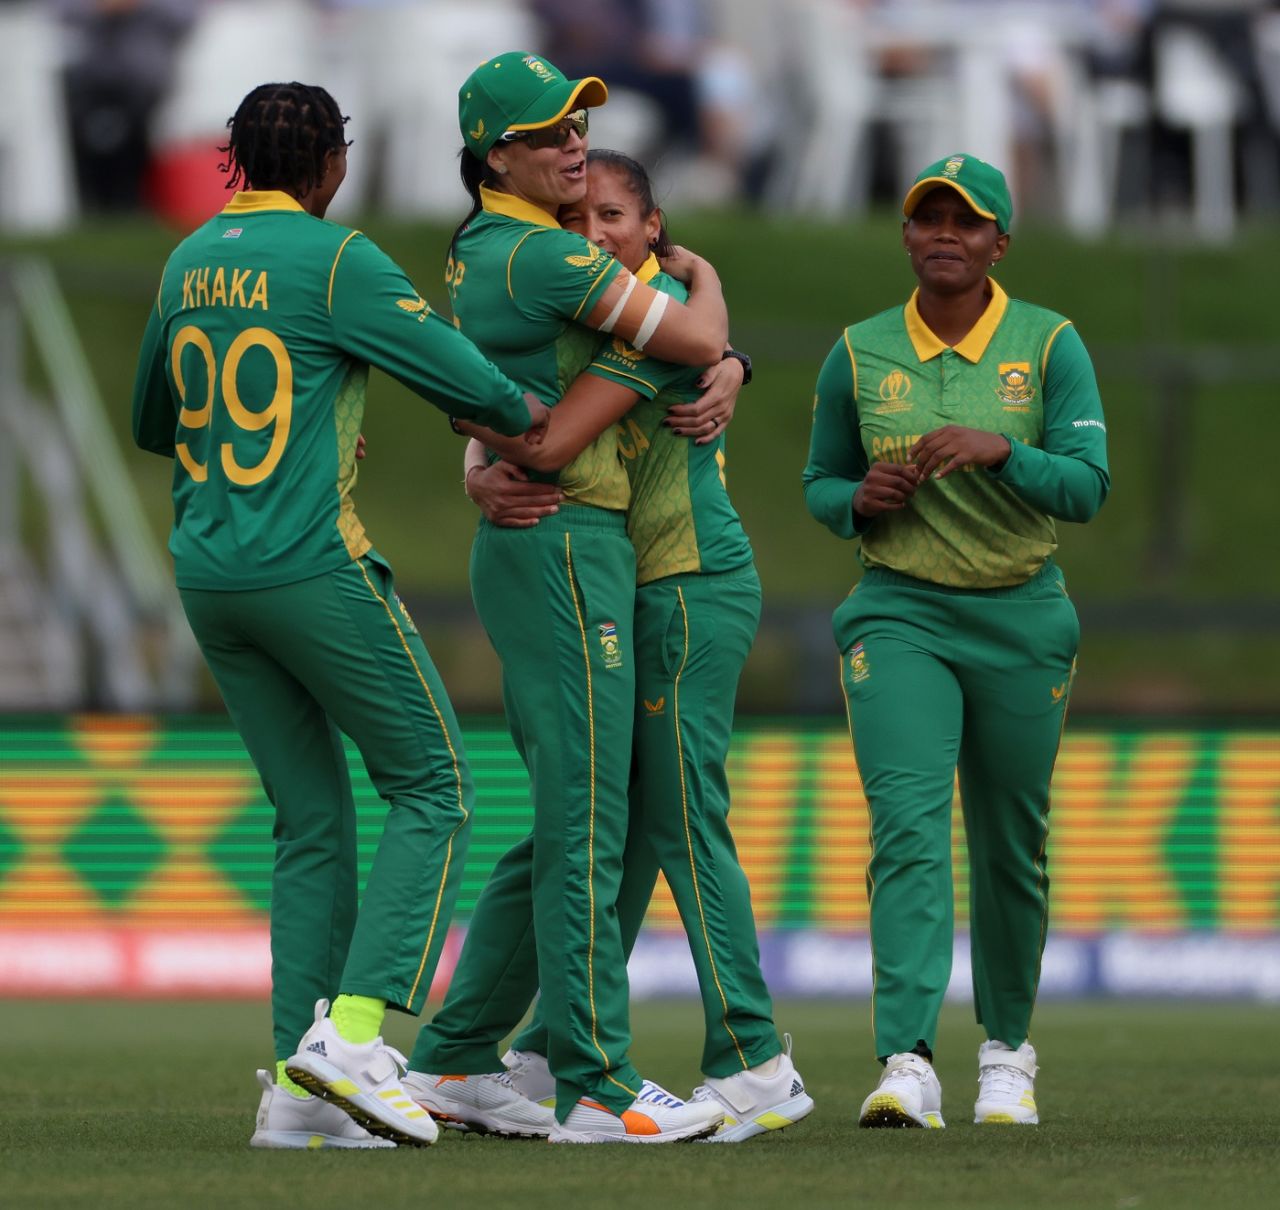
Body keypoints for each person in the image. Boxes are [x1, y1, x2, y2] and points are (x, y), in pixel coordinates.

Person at [130, 81, 550, 1150]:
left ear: (233, 160)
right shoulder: (337, 259)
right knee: (437, 784)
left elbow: (152, 419)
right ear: (331, 165)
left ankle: (294, 1093)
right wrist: (534, 416)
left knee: (310, 821)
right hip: (307, 563)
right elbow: (473, 383)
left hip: (208, 570)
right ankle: (355, 1036)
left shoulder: (186, 260)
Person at [406, 150, 813, 1144]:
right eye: (580, 216)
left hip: (684, 580)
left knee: (668, 820)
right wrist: (473, 466)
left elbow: (582, 406)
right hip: (606, 574)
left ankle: (748, 1057)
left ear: (654, 229)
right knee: (589, 825)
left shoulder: (661, 305)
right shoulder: (579, 308)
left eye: (615, 216)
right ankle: (502, 1048)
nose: (594, 232)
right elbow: (512, 398)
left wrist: (714, 325)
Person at [802, 153, 1109, 1129]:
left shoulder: (1047, 342)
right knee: (905, 828)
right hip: (900, 611)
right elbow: (817, 483)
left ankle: (1005, 1057)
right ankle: (905, 1060)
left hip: (1020, 613)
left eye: (965, 221)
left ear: (997, 242)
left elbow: (1086, 487)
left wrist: (1002, 449)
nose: (944, 233)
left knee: (1010, 845)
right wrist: (856, 499)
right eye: (926, 218)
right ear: (905, 236)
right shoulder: (856, 350)